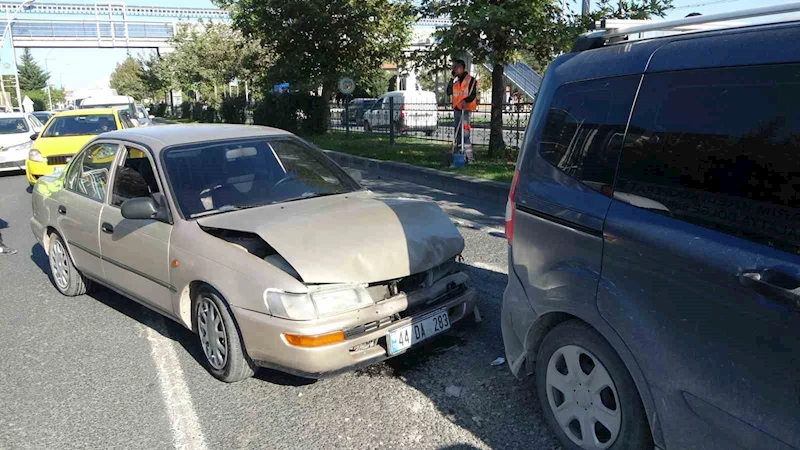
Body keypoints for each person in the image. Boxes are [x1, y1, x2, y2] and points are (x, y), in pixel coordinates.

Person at [446, 59, 477, 165]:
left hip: (466, 110)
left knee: (465, 134)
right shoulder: (456, 81)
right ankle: (460, 155)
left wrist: (465, 101)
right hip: (457, 109)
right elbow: (448, 92)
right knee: (458, 134)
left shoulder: (470, 80)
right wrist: (451, 79)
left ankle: (470, 158)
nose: (453, 69)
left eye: (455, 67)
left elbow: (473, 94)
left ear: (460, 68)